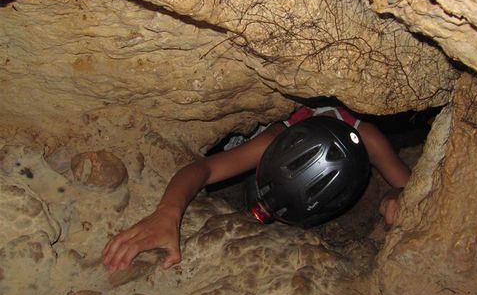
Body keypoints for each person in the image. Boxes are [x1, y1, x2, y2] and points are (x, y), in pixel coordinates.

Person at [102, 106, 411, 273]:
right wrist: (167, 212)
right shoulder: (274, 137)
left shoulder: (369, 139)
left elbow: (407, 186)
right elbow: (203, 168)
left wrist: (394, 196)